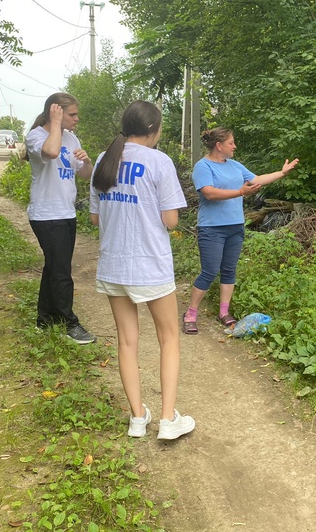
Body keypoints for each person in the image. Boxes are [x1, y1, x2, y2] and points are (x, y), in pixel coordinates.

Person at [89, 100, 195, 440]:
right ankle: (167, 420)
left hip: (113, 265)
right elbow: (170, 219)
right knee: (168, 339)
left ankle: (137, 418)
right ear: (154, 130)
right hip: (151, 266)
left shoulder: (104, 162)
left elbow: (95, 218)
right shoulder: (159, 162)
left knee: (127, 342)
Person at [183, 127, 299, 334]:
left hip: (235, 226)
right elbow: (209, 193)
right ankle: (191, 314)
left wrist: (282, 172)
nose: (235, 146)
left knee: (229, 270)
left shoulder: (235, 165)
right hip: (212, 228)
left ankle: (224, 312)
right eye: (231, 143)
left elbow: (257, 179)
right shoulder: (203, 167)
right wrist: (239, 192)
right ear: (219, 146)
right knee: (209, 272)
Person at [25, 93, 96, 345]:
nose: (77, 119)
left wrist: (87, 161)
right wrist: (54, 124)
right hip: (46, 214)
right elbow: (52, 152)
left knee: (54, 266)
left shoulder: (71, 137)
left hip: (66, 212)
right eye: (72, 114)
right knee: (62, 270)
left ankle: (44, 319)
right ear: (56, 112)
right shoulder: (36, 136)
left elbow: (85, 175)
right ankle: (69, 323)